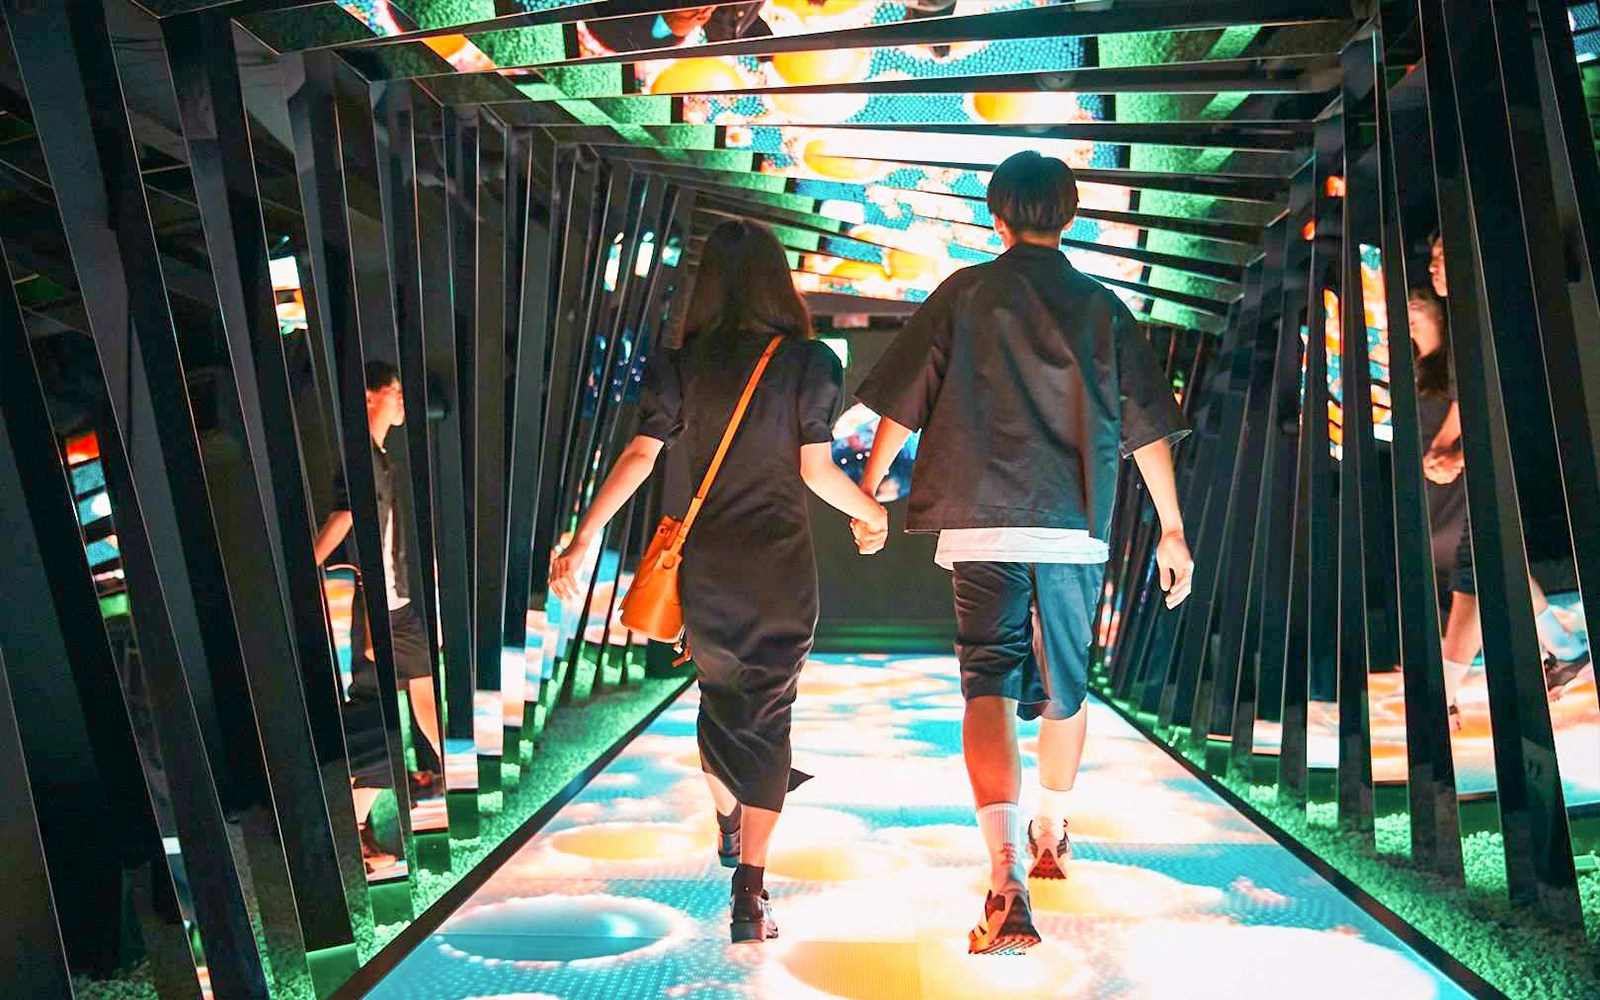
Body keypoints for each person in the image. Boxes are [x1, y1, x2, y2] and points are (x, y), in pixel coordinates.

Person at [851, 151, 1195, 955]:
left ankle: (1004, 869)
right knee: (1066, 685)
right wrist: (1172, 529)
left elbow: (906, 398)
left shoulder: (963, 294)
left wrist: (870, 489)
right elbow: (1144, 422)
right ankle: (1050, 830)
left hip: (979, 522)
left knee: (987, 681)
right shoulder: (1104, 307)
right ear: (1069, 216)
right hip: (1073, 523)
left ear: (997, 218)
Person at [548, 220, 888, 944]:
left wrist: (585, 536)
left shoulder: (682, 365)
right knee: (770, 718)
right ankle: (751, 894)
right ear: (776, 280)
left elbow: (641, 458)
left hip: (704, 569)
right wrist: (873, 515)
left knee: (717, 699)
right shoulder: (810, 362)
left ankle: (729, 821)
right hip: (778, 568)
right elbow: (816, 471)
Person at [1419, 235, 1589, 723]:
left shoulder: (1484, 322)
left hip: (1513, 460)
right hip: (1492, 462)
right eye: (1431, 261)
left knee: (1480, 567)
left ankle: (1445, 695)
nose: (1434, 270)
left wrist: (1457, 455)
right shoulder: (1464, 324)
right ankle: (1566, 648)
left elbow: (1500, 404)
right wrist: (1443, 447)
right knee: (1486, 567)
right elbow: (1463, 400)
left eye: (1443, 258)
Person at [313, 361, 445, 800]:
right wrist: (309, 564)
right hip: (380, 603)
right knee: (385, 710)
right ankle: (357, 821)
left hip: (392, 600)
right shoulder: (363, 457)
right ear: (370, 396)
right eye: (396, 391)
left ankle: (453, 775)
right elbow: (346, 513)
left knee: (407, 698)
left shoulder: (380, 458)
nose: (403, 400)